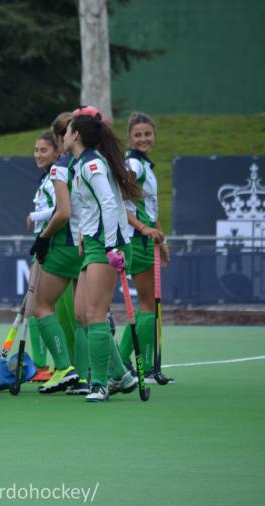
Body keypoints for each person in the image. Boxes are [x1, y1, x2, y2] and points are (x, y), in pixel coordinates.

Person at [64, 112, 143, 402]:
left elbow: (109, 204)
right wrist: (83, 236)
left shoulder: (93, 163)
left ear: (76, 135)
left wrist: (111, 247)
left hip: (110, 245)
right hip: (95, 243)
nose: (63, 135)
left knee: (95, 314)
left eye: (67, 130)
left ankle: (98, 383)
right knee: (83, 315)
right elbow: (88, 207)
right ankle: (122, 375)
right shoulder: (80, 164)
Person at [27, 130, 85, 394]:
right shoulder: (57, 174)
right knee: (83, 315)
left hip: (59, 245)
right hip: (69, 244)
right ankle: (87, 373)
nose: (39, 155)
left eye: (44, 150)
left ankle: (64, 367)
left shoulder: (58, 174)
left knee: (42, 307)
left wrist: (36, 220)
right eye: (36, 150)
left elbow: (62, 210)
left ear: (57, 151)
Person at [118, 112, 171, 384]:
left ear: (154, 136)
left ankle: (123, 358)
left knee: (145, 306)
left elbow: (149, 209)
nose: (143, 139)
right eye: (138, 135)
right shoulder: (134, 166)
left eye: (147, 134)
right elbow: (120, 201)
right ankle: (146, 369)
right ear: (130, 137)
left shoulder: (145, 166)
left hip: (146, 240)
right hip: (137, 242)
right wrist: (142, 229)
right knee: (149, 306)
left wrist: (162, 239)